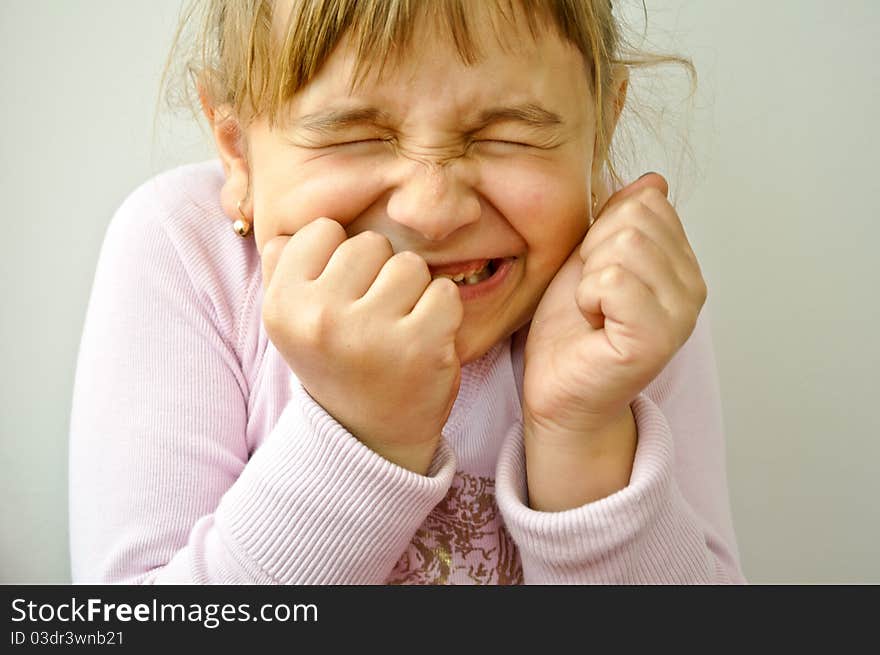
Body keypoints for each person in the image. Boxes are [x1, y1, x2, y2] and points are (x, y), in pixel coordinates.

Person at [69, 0, 744, 584]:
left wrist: (585, 436)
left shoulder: (618, 302)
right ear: (238, 152)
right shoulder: (188, 256)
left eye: (508, 133)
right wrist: (363, 434)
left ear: (599, 135)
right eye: (355, 136)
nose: (432, 209)